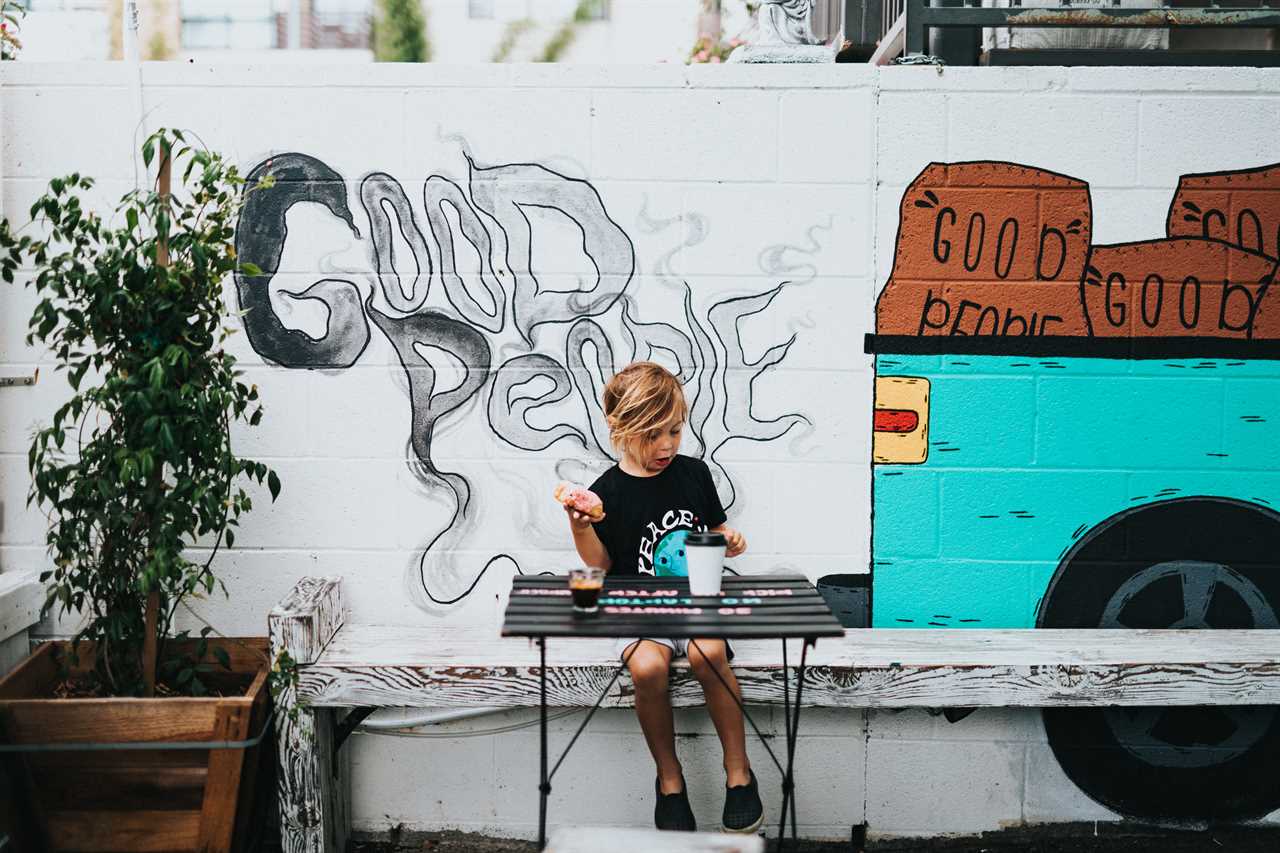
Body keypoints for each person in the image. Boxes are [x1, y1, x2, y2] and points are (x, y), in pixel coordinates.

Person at [563, 361, 764, 834]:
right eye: (653, 435)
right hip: (639, 611)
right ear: (620, 428)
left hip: (694, 607)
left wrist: (729, 539)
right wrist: (580, 527)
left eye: (674, 430)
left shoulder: (693, 474)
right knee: (648, 667)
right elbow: (599, 567)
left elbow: (712, 532)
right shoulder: (605, 493)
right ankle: (670, 780)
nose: (667, 445)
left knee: (710, 652)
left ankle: (739, 772)